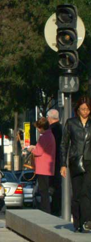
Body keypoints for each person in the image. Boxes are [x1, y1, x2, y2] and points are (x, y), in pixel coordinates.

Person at [61, 96, 91, 233]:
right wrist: (63, 164)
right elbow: (64, 144)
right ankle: (77, 222)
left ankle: (86, 222)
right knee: (77, 194)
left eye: (87, 109)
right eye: (82, 109)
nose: (85, 112)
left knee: (86, 192)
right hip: (75, 161)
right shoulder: (71, 123)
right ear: (78, 110)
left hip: (89, 161)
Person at [27, 117, 55, 214]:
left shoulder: (44, 136)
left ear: (41, 127)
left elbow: (38, 151)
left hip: (43, 168)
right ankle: (47, 210)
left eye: (38, 128)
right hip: (48, 167)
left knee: (43, 191)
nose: (38, 130)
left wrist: (31, 149)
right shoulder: (49, 135)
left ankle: (45, 210)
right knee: (45, 191)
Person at [47, 109, 63, 216]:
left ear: (49, 118)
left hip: (53, 162)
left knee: (53, 187)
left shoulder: (51, 130)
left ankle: (54, 209)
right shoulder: (62, 128)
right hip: (60, 160)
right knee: (58, 186)